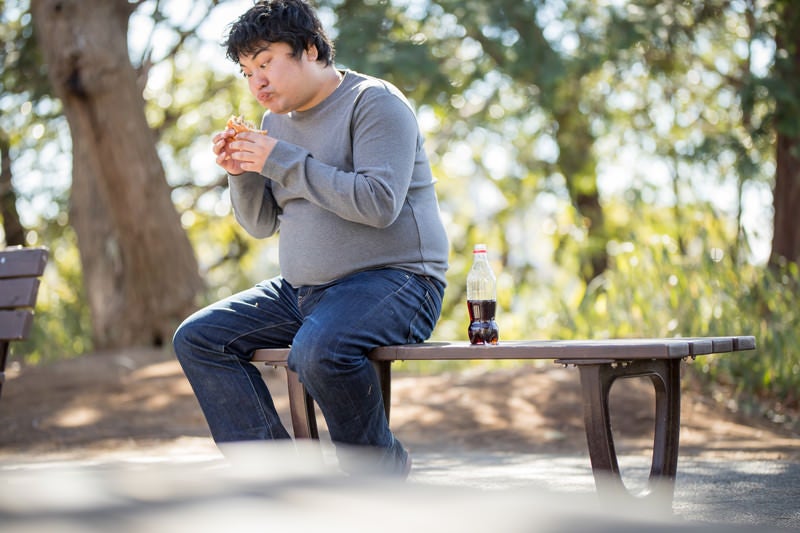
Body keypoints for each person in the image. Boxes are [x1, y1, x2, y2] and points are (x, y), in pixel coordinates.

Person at [173, 0, 449, 477]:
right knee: (199, 338)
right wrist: (242, 172)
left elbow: (379, 204)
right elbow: (261, 225)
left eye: (265, 63)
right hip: (303, 293)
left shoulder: (375, 103)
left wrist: (279, 159)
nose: (256, 80)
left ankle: (378, 474)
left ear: (309, 49)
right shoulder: (273, 124)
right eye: (245, 71)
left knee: (318, 350)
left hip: (398, 282)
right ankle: (282, 480)